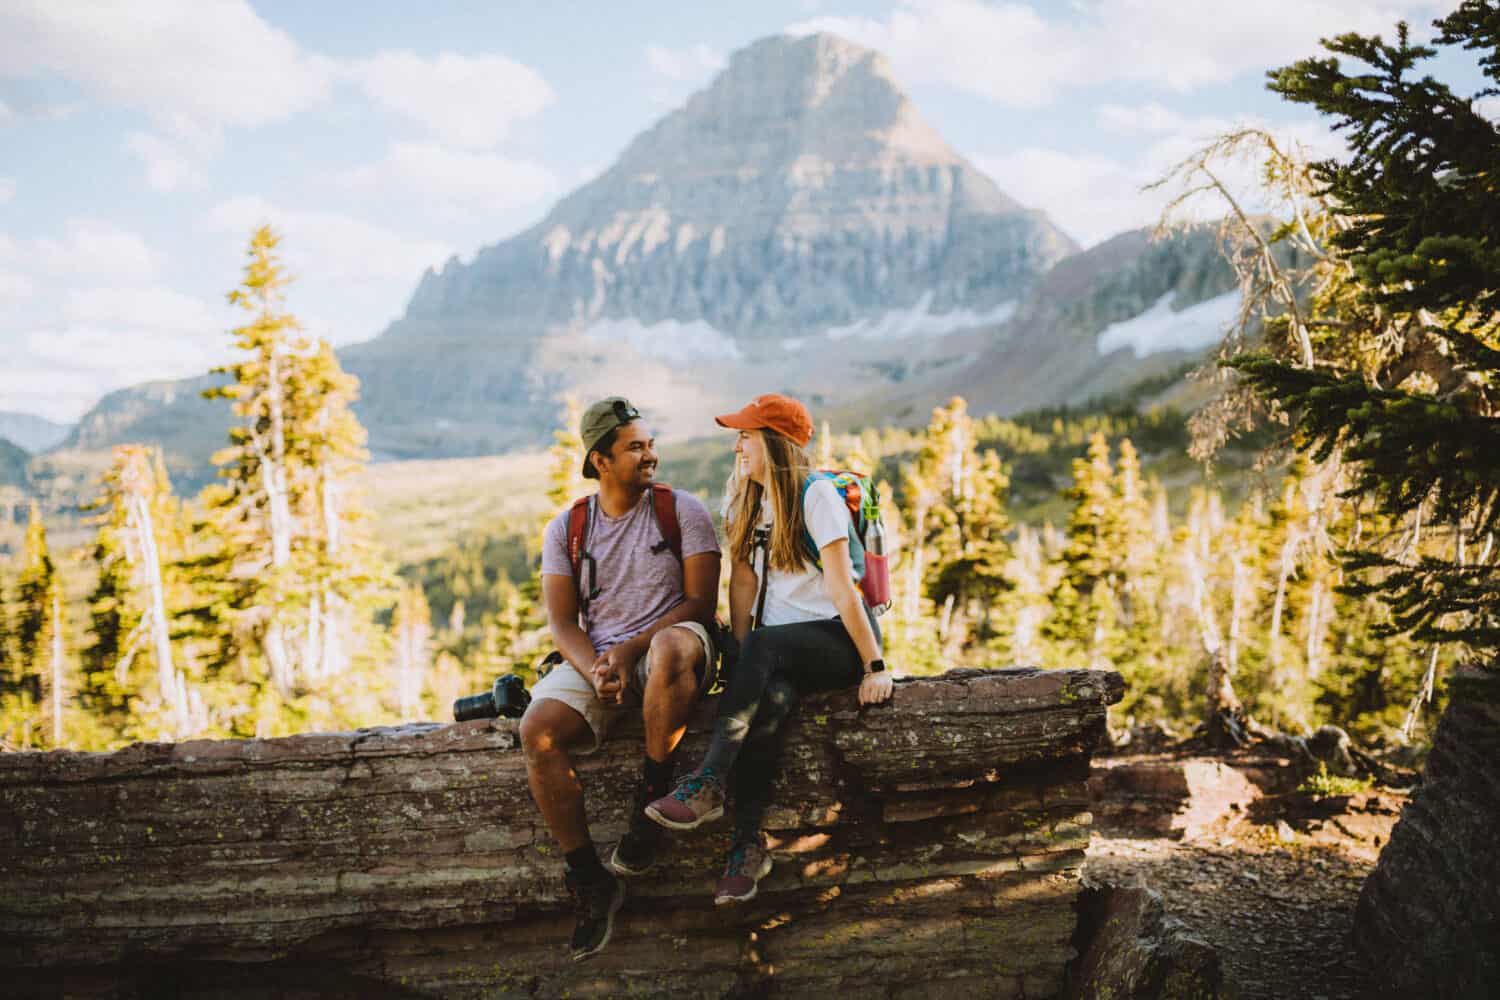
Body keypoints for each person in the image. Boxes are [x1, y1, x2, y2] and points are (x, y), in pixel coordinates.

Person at [644, 393, 894, 905]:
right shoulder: (744, 496)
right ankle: (746, 845)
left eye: (747, 437)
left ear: (775, 445)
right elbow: (740, 579)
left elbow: (845, 590)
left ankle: (709, 781)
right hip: (775, 650)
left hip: (836, 638)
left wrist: (875, 665)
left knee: (763, 650)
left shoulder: (815, 496)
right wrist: (740, 658)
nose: (737, 446)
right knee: (770, 706)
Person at [520, 396, 722, 961]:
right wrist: (596, 668)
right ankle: (589, 878)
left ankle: (653, 798)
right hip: (603, 657)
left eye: (650, 443)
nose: (650, 455)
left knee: (667, 648)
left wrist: (630, 650)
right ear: (600, 460)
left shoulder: (682, 510)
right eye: (636, 447)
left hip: (674, 644)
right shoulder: (568, 528)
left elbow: (701, 603)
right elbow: (562, 622)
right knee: (536, 730)